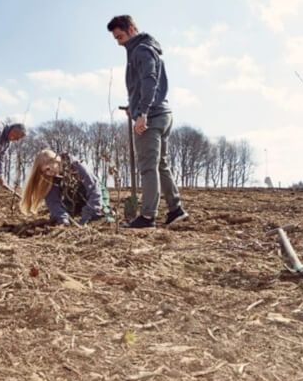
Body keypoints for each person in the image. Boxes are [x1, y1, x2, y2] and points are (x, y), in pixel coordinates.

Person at [107, 14, 188, 229]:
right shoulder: (147, 48)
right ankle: (175, 209)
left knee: (148, 167)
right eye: (116, 38)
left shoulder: (141, 50)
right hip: (163, 114)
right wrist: (134, 108)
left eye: (121, 36)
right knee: (161, 164)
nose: (119, 42)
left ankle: (147, 217)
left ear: (132, 28)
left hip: (151, 117)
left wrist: (142, 112)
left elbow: (149, 80)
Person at [20, 149, 112, 226]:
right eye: (45, 172)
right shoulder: (51, 178)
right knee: (56, 218)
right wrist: (63, 219)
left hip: (96, 193)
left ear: (55, 161)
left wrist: (86, 217)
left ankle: (109, 216)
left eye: (48, 168)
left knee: (101, 216)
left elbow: (95, 191)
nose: (48, 173)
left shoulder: (77, 166)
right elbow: (53, 202)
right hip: (74, 198)